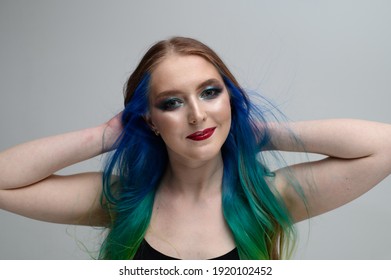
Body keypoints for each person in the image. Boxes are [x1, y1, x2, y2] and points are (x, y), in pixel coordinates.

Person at [0, 37, 390, 260]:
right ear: (149, 118)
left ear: (230, 99)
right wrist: (104, 136)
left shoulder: (266, 198)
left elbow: (384, 146)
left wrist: (262, 134)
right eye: (171, 102)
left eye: (209, 93)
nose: (197, 115)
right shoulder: (121, 200)